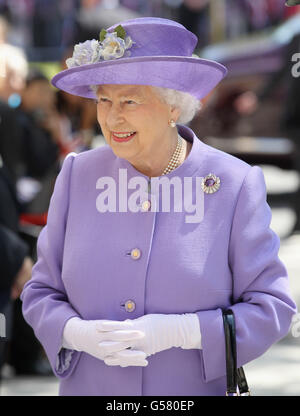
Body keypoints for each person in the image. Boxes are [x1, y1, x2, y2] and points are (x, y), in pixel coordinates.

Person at [20, 17, 297, 396]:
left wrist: (184, 332)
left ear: (172, 107)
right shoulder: (78, 174)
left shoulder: (234, 183)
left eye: (129, 101)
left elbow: (273, 308)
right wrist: (74, 333)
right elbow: (41, 292)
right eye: (104, 99)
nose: (112, 117)